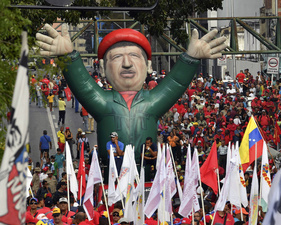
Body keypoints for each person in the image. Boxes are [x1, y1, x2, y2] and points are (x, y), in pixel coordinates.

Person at [36, 24, 227, 164]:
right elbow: (83, 86)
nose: (127, 64)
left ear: (149, 66)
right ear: (102, 68)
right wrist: (69, 58)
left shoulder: (151, 102)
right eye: (117, 57)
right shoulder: (104, 103)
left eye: (134, 56)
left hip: (148, 170)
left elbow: (175, 83)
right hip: (110, 171)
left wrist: (190, 59)